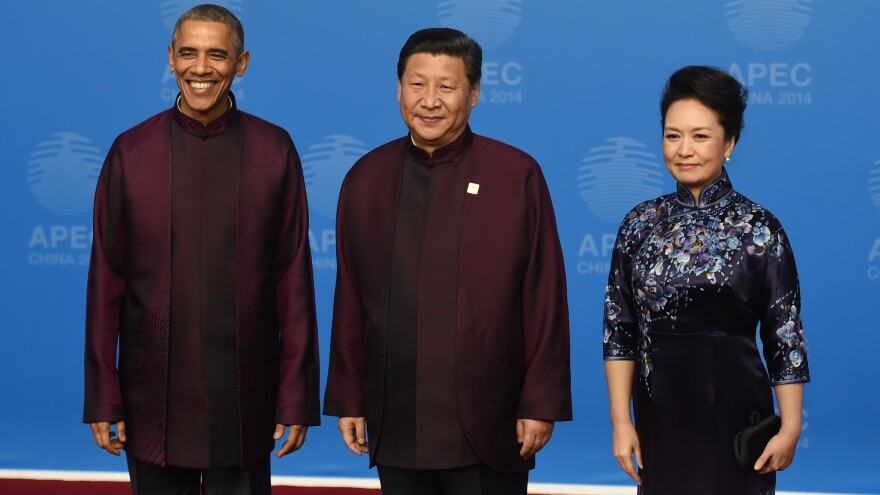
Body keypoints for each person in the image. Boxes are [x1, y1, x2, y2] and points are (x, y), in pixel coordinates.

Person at [323, 27, 572, 495]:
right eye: (417, 85)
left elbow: (545, 296)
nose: (429, 100)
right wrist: (348, 397)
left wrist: (540, 401)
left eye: (447, 86)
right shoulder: (366, 179)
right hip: (394, 416)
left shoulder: (516, 175)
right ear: (399, 89)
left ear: (473, 93)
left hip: (489, 419)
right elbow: (350, 296)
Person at [82, 5, 320, 494]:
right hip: (151, 400)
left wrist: (295, 396)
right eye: (188, 53)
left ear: (242, 63)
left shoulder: (275, 150)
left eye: (217, 54)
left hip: (245, 395)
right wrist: (104, 397)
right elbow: (106, 281)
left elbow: (293, 280)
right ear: (170, 58)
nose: (201, 68)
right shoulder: (131, 151)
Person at [602, 66, 810, 494]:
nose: (684, 149)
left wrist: (790, 428)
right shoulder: (638, 224)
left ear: (729, 142)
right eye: (672, 135)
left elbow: (784, 335)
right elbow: (618, 330)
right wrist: (621, 421)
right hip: (658, 415)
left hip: (735, 416)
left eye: (700, 136)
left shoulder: (759, 229)